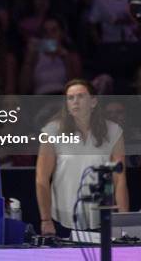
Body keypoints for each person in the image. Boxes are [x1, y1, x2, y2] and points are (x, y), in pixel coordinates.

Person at [35, 79, 129, 238]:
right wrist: (45, 220)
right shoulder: (51, 132)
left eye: (80, 96)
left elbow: (119, 179)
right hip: (63, 219)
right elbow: (42, 179)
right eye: (70, 98)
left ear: (93, 101)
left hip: (102, 216)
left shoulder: (113, 131)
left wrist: (124, 221)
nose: (75, 102)